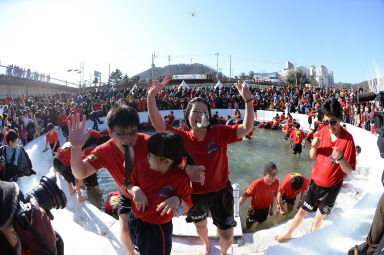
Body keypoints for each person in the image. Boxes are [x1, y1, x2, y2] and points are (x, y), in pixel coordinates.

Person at [68, 105, 204, 255]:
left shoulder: (150, 144)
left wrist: (189, 169)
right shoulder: (103, 151)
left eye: (133, 132)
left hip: (155, 196)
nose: (129, 139)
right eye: (122, 134)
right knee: (125, 230)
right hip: (127, 194)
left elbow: (173, 161)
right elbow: (80, 173)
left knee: (158, 234)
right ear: (110, 132)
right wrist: (75, 148)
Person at [147, 78, 254, 255]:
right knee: (201, 225)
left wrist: (248, 101)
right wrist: (151, 97)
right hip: (194, 194)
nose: (200, 114)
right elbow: (159, 125)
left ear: (209, 116)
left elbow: (246, 128)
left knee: (227, 235)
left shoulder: (220, 132)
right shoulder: (181, 137)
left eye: (204, 111)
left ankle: (224, 252)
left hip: (221, 191)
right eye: (195, 111)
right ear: (188, 116)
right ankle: (206, 244)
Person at [275, 98, 356, 242]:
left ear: (340, 118)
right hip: (314, 183)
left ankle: (311, 241)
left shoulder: (348, 139)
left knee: (319, 216)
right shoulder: (322, 131)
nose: (329, 126)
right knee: (302, 211)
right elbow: (313, 156)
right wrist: (313, 146)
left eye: (333, 122)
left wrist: (341, 158)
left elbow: (349, 170)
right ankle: (288, 234)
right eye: (326, 122)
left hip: (331, 188)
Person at [127, 132, 193, 255]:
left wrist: (177, 200)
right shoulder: (142, 166)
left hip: (157, 230)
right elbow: (128, 185)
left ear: (167, 161)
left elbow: (186, 208)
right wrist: (135, 190)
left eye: (151, 156)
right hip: (135, 219)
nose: (147, 157)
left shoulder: (180, 179)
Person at [239, 162, 279, 229]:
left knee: (261, 223)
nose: (274, 176)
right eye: (272, 174)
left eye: (276, 173)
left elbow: (273, 196)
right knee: (247, 227)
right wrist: (235, 209)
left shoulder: (276, 182)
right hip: (254, 210)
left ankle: (256, 229)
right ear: (265, 174)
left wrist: (272, 208)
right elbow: (245, 195)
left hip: (265, 209)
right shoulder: (255, 185)